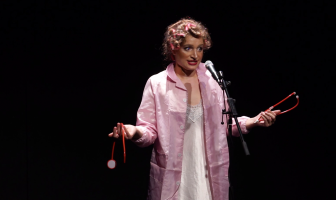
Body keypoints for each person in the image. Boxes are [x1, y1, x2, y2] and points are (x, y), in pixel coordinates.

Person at [108, 18, 281, 200]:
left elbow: (226, 125)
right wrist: (133, 131)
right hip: (174, 174)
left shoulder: (213, 80)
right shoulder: (157, 83)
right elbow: (149, 131)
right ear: (173, 48)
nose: (195, 55)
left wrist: (254, 121)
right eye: (188, 48)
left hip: (208, 172)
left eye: (200, 48)